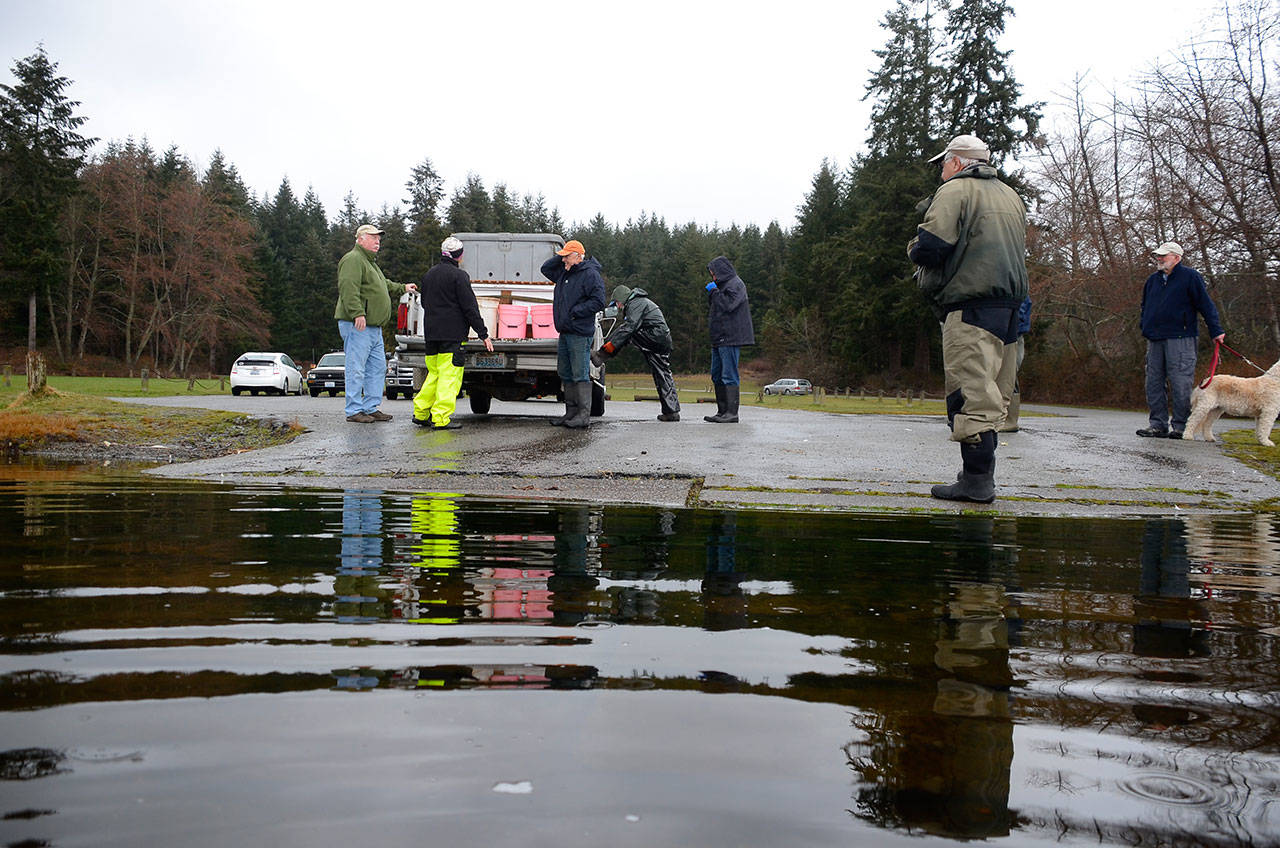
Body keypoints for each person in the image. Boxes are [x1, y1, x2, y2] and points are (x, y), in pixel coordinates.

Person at [909, 134, 1028, 503]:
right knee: (996, 392)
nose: (941, 171)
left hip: (972, 304)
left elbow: (931, 247)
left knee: (971, 392)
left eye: (943, 163)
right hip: (1010, 308)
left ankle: (976, 482)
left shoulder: (956, 190)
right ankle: (978, 474)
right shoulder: (1010, 196)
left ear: (958, 162)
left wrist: (912, 247)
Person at [1136, 242, 1225, 439]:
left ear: (1176, 258)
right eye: (1158, 256)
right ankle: (1157, 425)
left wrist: (1216, 330)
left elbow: (1205, 305)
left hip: (1181, 337)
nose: (1159, 259)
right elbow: (1145, 306)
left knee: (1180, 382)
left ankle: (1181, 426)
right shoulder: (1153, 280)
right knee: (1153, 382)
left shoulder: (1190, 277)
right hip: (1155, 337)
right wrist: (1145, 325)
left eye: (1163, 256)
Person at [334, 224, 417, 423]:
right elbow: (348, 288)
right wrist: (357, 313)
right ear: (360, 239)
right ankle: (354, 410)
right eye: (373, 238)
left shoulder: (370, 263)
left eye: (378, 239)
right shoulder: (353, 259)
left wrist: (402, 287)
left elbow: (383, 284)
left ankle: (370, 407)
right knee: (356, 367)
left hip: (373, 327)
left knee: (377, 367)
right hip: (358, 325)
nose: (377, 242)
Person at [411, 236, 494, 430]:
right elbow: (470, 308)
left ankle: (421, 413)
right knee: (449, 377)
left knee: (434, 375)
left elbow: (424, 303)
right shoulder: (459, 276)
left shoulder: (429, 275)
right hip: (452, 336)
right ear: (460, 256)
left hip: (431, 335)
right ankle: (441, 419)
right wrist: (483, 334)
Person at [540, 239, 606, 429]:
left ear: (578, 257)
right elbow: (545, 269)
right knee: (565, 372)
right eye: (563, 257)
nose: (563, 261)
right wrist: (562, 256)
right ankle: (570, 412)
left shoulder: (590, 274)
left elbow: (598, 301)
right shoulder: (564, 272)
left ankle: (583, 415)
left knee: (579, 373)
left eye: (567, 257)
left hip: (579, 332)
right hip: (565, 331)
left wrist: (576, 312)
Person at [593, 284, 680, 421]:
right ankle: (671, 411)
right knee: (662, 374)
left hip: (655, 338)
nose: (618, 306)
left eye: (616, 303)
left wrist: (607, 349)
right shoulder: (639, 302)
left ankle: (602, 355)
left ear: (621, 299)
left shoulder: (636, 303)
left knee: (627, 331)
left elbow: (630, 327)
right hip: (659, 339)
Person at [704, 256, 755, 423]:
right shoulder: (723, 285)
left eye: (714, 274)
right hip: (719, 337)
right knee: (717, 374)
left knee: (729, 374)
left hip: (731, 337)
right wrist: (714, 292)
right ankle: (722, 411)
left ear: (720, 270)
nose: (713, 278)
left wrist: (714, 292)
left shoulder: (736, 284)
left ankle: (732, 413)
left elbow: (728, 306)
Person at [997, 296, 1032, 433]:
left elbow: (1023, 304)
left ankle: (1009, 420)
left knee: (1010, 374)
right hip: (997, 329)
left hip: (1014, 334)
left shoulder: (1017, 282)